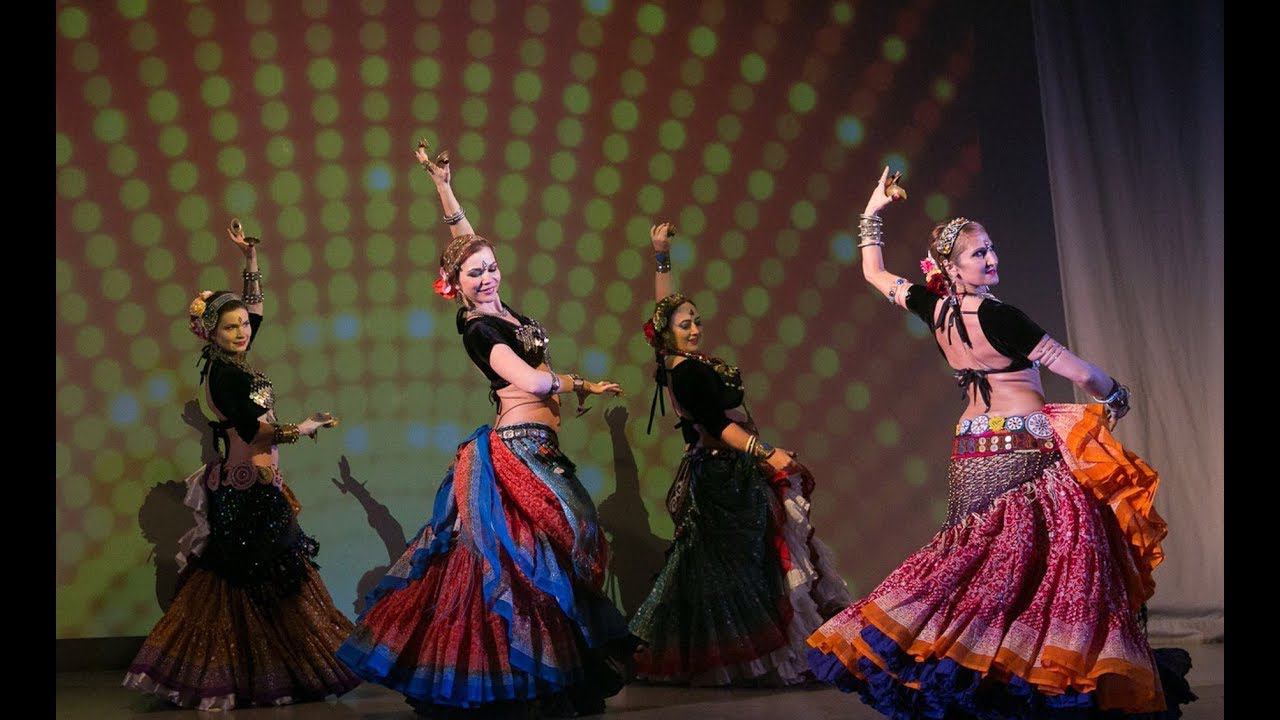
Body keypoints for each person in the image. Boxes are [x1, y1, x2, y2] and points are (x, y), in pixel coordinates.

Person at [806, 168, 1195, 717]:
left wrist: (873, 211)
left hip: (970, 450)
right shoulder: (1001, 316)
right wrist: (1117, 394)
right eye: (978, 253)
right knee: (1058, 570)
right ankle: (1047, 682)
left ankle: (980, 675)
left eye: (990, 248)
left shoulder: (932, 308)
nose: (991, 258)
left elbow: (873, 272)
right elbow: (1078, 372)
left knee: (980, 567)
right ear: (951, 267)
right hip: (1025, 450)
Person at [336, 140, 641, 717]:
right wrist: (579, 382)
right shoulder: (480, 330)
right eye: (475, 274)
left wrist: (443, 186)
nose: (488, 277)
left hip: (542, 448)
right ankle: (508, 677)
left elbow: (466, 241)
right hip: (516, 452)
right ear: (456, 284)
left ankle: (550, 671)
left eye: (493, 267)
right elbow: (534, 380)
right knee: (527, 560)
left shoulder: (504, 311)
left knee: (559, 550)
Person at [123, 223, 361, 709]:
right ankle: (235, 673)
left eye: (244, 326)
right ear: (210, 333)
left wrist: (250, 260)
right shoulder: (225, 374)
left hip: (257, 481)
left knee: (264, 577)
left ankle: (271, 671)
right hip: (245, 487)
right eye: (231, 327)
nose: (243, 331)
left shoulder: (233, 362)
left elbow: (254, 310)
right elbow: (256, 432)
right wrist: (305, 427)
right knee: (246, 578)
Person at [627, 221, 853, 686]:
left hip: (731, 471)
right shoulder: (683, 372)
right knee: (734, 569)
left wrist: (661, 255)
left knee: (746, 564)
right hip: (719, 477)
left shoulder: (682, 361)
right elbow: (716, 424)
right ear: (667, 334)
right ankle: (742, 662)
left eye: (697, 320)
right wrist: (766, 452)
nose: (694, 328)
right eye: (685, 324)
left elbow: (665, 308)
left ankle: (743, 659)